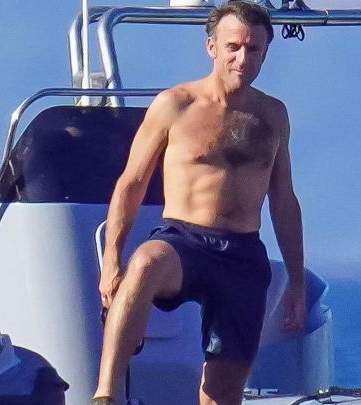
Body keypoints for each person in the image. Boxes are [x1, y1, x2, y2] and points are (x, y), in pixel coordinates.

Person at [94, 1, 305, 404]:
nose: (242, 58)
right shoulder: (176, 104)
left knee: (222, 394)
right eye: (233, 47)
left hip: (242, 253)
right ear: (212, 47)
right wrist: (111, 260)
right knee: (146, 263)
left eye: (253, 49)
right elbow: (131, 182)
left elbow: (283, 199)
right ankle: (106, 394)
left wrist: (296, 280)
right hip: (184, 240)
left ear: (265, 52)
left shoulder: (273, 115)